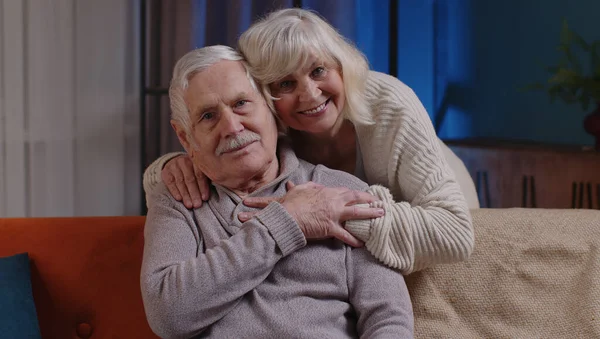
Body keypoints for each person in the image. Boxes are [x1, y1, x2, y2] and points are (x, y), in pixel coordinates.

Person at [143, 8, 475, 273]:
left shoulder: (389, 103)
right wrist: (171, 165)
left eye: (318, 71)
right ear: (264, 96)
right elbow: (173, 173)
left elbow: (453, 232)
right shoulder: (270, 124)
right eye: (285, 84)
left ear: (342, 65)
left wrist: (332, 211)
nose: (309, 95)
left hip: (447, 198)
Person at [140, 45, 414, 338]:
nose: (231, 127)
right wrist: (286, 221)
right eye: (208, 116)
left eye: (241, 103)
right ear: (185, 137)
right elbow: (168, 315)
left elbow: (388, 319)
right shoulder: (178, 198)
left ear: (271, 108)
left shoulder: (344, 192)